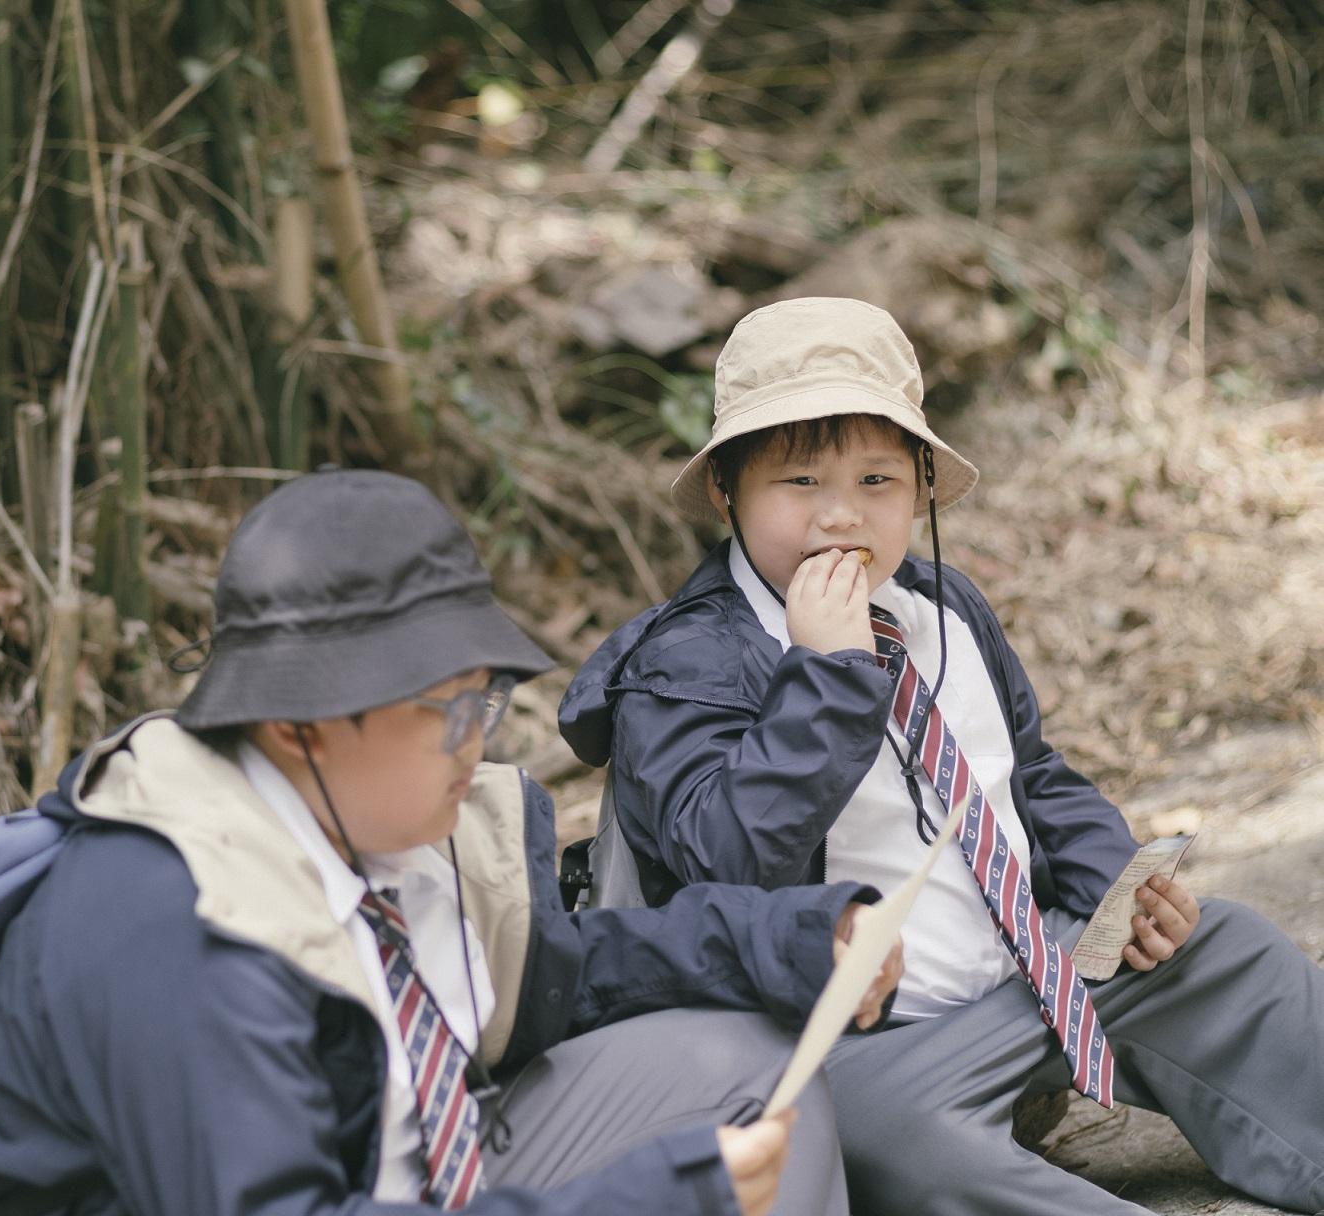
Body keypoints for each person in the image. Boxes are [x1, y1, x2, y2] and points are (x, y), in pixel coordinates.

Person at [0, 468, 902, 1216]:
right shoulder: (178, 923)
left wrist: (790, 938)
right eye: (446, 711)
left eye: (484, 700)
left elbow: (556, 971)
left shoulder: (373, 822)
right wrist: (648, 1199)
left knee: (752, 1061)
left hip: (420, 1167)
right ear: (299, 726)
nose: (475, 742)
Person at [559, 296, 1324, 1216]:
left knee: (1228, 949)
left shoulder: (941, 606)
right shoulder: (685, 664)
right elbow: (721, 863)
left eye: (876, 480)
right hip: (863, 1042)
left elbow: (1026, 774)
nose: (839, 516)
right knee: (879, 1135)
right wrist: (827, 676)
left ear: (922, 487)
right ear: (727, 490)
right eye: (798, 482)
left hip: (1024, 971)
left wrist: (1113, 885)